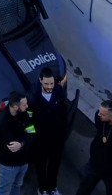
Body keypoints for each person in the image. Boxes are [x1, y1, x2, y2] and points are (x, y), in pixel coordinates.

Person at [29, 67, 69, 195]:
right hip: (40, 140)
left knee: (54, 164)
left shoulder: (59, 92)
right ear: (40, 80)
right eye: (46, 83)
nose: (50, 86)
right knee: (40, 165)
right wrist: (33, 137)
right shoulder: (32, 97)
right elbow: (28, 120)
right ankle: (42, 189)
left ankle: (52, 187)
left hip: (56, 138)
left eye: (51, 83)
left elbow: (64, 114)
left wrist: (63, 132)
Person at [0, 91, 36, 195]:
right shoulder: (3, 121)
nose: (27, 106)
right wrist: (24, 140)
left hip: (23, 161)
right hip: (8, 164)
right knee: (3, 190)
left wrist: (21, 143)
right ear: (16, 107)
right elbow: (13, 146)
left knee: (17, 185)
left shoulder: (24, 113)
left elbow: (32, 133)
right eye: (24, 105)